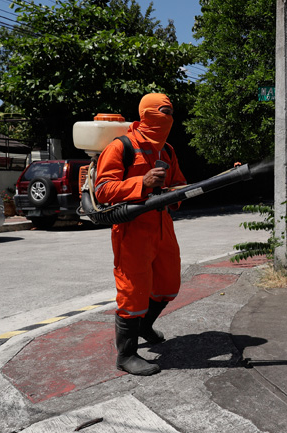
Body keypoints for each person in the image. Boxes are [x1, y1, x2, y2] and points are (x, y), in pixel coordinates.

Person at [95, 93, 186, 376]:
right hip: (132, 230)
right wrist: (141, 183)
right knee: (133, 292)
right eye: (162, 112)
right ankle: (126, 354)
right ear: (145, 115)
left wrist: (175, 197)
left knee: (169, 285)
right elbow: (103, 190)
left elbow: (179, 185)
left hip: (162, 226)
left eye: (170, 113)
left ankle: (144, 325)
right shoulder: (121, 146)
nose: (167, 119)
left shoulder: (167, 151)